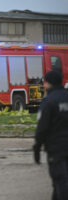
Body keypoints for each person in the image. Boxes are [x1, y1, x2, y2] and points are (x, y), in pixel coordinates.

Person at [34, 70, 68, 200]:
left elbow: (42, 127)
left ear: (48, 83)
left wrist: (37, 148)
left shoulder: (48, 101)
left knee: (60, 182)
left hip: (56, 149)